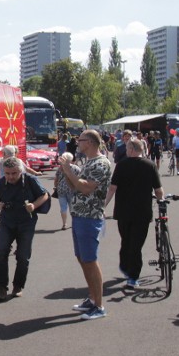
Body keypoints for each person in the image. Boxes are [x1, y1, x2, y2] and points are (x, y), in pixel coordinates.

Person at [58, 129, 112, 321]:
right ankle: (92, 298)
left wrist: (67, 169)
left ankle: (99, 305)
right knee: (82, 258)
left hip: (90, 217)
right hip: (80, 215)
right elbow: (75, 186)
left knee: (90, 260)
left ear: (89, 142)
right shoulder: (89, 162)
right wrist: (67, 172)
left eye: (80, 140)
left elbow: (85, 187)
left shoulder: (101, 163)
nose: (77, 143)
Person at [104, 137, 164, 290]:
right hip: (142, 211)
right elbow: (158, 189)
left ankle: (125, 267)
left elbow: (112, 188)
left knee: (126, 240)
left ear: (131, 149)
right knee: (136, 245)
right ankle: (133, 276)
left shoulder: (121, 165)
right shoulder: (150, 165)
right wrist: (161, 201)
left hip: (123, 211)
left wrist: (103, 205)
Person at [0, 156, 49, 301]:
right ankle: (1, 288)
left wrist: (34, 205)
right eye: (7, 173)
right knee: (1, 252)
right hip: (6, 222)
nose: (10, 176)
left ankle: (18, 286)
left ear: (20, 171)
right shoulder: (0, 183)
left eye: (14, 173)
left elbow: (44, 195)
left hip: (26, 223)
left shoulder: (30, 180)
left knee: (23, 256)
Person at [54, 152, 80, 231]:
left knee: (63, 208)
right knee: (72, 208)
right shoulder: (76, 168)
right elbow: (79, 179)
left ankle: (64, 223)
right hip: (72, 189)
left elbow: (56, 179)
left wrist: (56, 186)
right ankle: (74, 223)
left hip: (61, 189)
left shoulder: (60, 168)